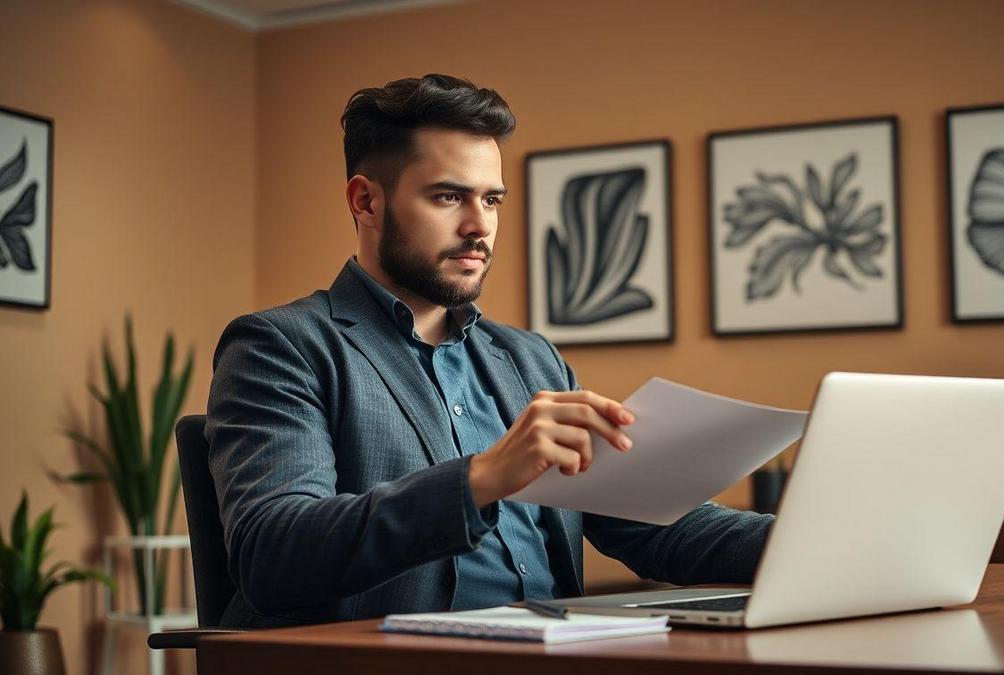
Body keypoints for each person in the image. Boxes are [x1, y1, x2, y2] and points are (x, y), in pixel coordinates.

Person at [206, 74, 773, 629]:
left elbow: (651, 526)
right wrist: (484, 477)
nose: (480, 226)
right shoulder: (282, 345)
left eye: (492, 200)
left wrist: (819, 538)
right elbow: (272, 553)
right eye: (448, 197)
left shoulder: (530, 358)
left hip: (556, 650)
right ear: (366, 202)